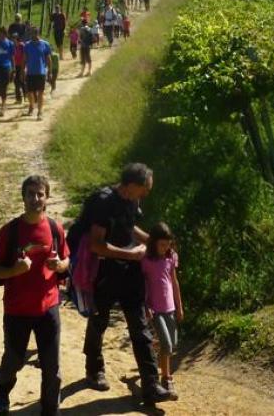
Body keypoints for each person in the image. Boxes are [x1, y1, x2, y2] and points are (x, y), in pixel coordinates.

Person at [81, 163, 172, 406]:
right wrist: (130, 255)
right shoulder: (104, 202)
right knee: (99, 320)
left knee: (140, 326)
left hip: (129, 271)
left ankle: (151, 384)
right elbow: (96, 244)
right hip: (105, 270)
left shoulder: (132, 200)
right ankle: (93, 368)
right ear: (132, 185)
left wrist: (155, 245)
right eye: (145, 189)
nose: (146, 194)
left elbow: (129, 227)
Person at [0, 175, 71, 416]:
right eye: (31, 194)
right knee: (13, 362)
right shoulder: (9, 231)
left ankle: (50, 411)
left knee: (52, 368)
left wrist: (61, 266)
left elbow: (67, 260)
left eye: (40, 194)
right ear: (23, 197)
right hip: (17, 310)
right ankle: (2, 389)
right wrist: (14, 270)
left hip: (48, 307)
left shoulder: (55, 229)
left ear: (47, 197)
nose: (35, 198)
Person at [141, 222, 183, 397]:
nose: (165, 248)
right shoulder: (146, 260)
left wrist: (179, 307)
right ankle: (167, 378)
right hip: (155, 309)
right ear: (154, 243)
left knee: (171, 345)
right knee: (167, 345)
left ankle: (154, 348)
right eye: (162, 245)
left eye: (168, 245)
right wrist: (145, 306)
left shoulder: (170, 257)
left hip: (170, 308)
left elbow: (174, 282)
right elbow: (142, 285)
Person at [24, 28, 53, 119]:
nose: (34, 35)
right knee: (29, 92)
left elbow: (48, 59)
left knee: (40, 92)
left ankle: (40, 112)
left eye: (35, 33)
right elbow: (24, 59)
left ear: (38, 33)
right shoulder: (27, 45)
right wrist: (22, 70)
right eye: (32, 33)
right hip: (30, 72)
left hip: (41, 72)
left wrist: (50, 72)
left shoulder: (45, 44)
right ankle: (31, 106)